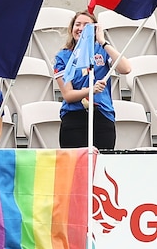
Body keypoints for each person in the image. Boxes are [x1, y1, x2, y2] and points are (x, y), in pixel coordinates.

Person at [53, 11, 131, 150]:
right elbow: (68, 95)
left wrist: (102, 41)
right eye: (77, 24)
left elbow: (126, 68)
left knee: (100, 166)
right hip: (73, 118)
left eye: (87, 25)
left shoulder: (101, 50)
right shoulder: (63, 57)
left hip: (102, 116)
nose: (81, 28)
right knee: (75, 168)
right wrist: (91, 90)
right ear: (72, 29)